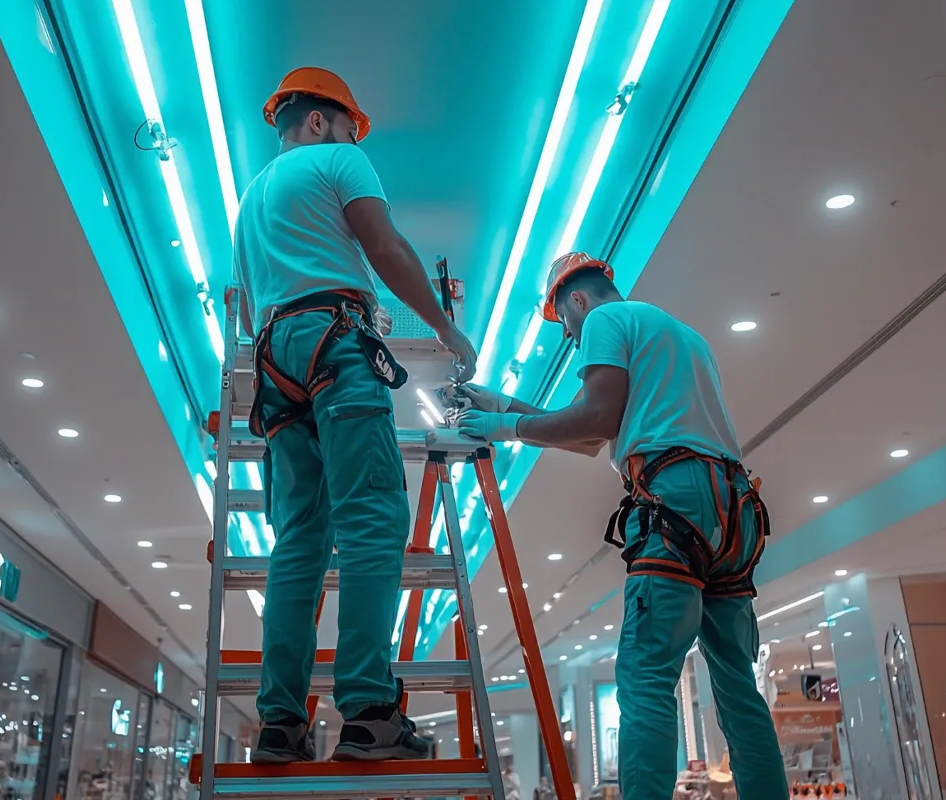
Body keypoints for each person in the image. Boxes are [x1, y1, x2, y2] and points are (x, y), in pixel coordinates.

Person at [456, 253, 787, 799]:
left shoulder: (605, 320)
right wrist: (505, 406)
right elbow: (591, 437)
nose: (568, 335)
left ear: (576, 299)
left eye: (564, 322)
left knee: (645, 677)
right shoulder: (683, 336)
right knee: (737, 687)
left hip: (676, 500)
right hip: (734, 508)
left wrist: (503, 426)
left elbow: (597, 419)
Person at [233, 67, 476, 763]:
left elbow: (250, 313)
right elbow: (385, 247)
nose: (351, 138)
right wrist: (446, 331)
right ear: (319, 121)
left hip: (275, 362)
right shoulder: (340, 160)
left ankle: (280, 725)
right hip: (336, 345)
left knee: (299, 541)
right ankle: (369, 712)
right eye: (346, 126)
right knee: (373, 519)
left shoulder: (250, 199)